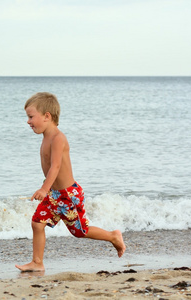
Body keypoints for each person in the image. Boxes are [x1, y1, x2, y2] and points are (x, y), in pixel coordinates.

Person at [15, 92, 126, 272]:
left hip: (68, 195)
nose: (28, 121)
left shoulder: (58, 138)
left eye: (30, 117)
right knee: (37, 223)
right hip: (54, 194)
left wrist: (44, 188)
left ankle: (113, 236)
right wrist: (48, 190)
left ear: (47, 116)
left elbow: (56, 167)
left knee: (79, 232)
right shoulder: (45, 137)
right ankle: (37, 263)